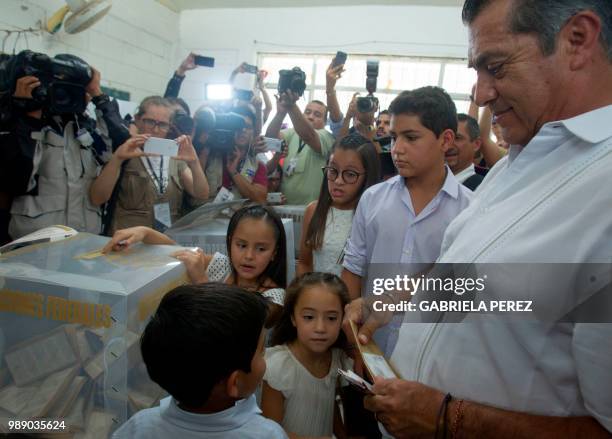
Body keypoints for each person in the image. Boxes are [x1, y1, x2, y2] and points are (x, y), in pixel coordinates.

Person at [347, 0, 612, 437]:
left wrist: (445, 418)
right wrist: (402, 299)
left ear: (578, 40)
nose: (480, 94)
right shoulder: (525, 157)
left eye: (496, 67)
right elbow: (496, 287)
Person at [341, 86, 473, 354]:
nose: (397, 149)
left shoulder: (469, 209)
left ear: (445, 140)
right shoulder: (373, 199)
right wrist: (354, 341)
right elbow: (353, 270)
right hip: (369, 348)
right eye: (393, 137)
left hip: (428, 356)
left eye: (411, 138)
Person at [112, 283, 288, 439]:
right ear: (234, 382)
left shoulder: (139, 426)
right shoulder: (267, 434)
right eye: (261, 351)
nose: (265, 356)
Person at [1, 52, 131, 239]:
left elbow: (123, 147)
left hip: (83, 238)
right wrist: (28, 115)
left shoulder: (87, 129)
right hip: (35, 240)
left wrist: (97, 94)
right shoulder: (18, 123)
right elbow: (17, 178)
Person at [104, 204, 287, 327]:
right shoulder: (221, 266)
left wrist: (201, 280)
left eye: (261, 249)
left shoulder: (274, 297)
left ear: (275, 253)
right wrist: (144, 232)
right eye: (241, 245)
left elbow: (231, 325)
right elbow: (178, 252)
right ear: (230, 242)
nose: (249, 256)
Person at [94, 96, 208, 234]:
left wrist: (194, 162)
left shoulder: (174, 156)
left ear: (169, 126)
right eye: (150, 122)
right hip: (126, 244)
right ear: (137, 119)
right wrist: (117, 158)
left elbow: (201, 194)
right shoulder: (124, 151)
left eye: (163, 124)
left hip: (163, 242)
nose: (155, 129)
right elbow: (97, 198)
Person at [261, 272, 352, 439]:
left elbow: (330, 410)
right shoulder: (278, 365)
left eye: (331, 318)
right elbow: (270, 433)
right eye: (309, 317)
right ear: (293, 318)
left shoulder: (337, 360)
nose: (320, 327)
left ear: (343, 319)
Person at [297, 133, 380, 277]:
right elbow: (305, 263)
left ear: (367, 177)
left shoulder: (374, 216)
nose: (338, 181)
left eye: (350, 174)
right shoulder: (314, 210)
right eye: (332, 171)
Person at [265, 90, 335, 205]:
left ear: (325, 121)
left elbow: (309, 135)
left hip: (312, 210)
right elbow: (270, 138)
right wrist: (281, 113)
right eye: (307, 112)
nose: (311, 117)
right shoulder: (292, 133)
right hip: (286, 209)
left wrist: (291, 104)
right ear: (302, 115)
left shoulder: (327, 137)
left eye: (317, 115)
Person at [202, 105, 268, 204]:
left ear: (253, 132)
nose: (243, 130)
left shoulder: (257, 165)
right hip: (207, 217)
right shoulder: (210, 154)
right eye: (239, 126)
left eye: (248, 127)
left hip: (238, 218)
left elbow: (260, 198)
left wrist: (234, 173)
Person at [446, 113, 484, 190]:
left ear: (476, 144)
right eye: (445, 138)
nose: (448, 145)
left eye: (457, 138)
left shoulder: (482, 189)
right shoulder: (424, 182)